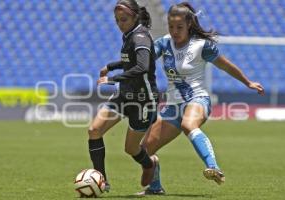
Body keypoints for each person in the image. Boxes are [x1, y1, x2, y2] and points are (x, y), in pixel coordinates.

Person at [138, 2, 265, 194]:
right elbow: (142, 62)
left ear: (189, 24)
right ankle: (155, 188)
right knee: (145, 150)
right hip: (173, 106)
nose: (174, 31)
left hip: (197, 99)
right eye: (171, 26)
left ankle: (214, 167)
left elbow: (226, 66)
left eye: (179, 27)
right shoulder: (164, 43)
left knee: (189, 125)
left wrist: (248, 83)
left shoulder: (201, 45)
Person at [87, 0, 160, 192]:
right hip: (124, 95)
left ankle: (149, 164)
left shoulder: (141, 37)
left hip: (143, 100)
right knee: (94, 130)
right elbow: (130, 60)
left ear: (135, 16)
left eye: (124, 19)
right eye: (117, 20)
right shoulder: (129, 35)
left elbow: (142, 66)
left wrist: (113, 78)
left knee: (131, 149)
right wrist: (111, 66)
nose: (120, 24)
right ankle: (101, 180)